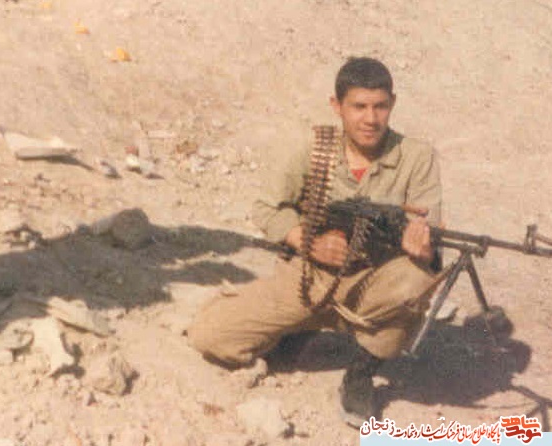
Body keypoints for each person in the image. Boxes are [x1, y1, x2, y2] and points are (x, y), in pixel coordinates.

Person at [188, 57, 442, 426]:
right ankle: (298, 326)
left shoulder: (417, 157)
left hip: (375, 283)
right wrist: (307, 240)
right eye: (359, 106)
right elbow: (266, 208)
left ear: (393, 104)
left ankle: (362, 369)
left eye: (380, 106)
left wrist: (424, 247)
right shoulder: (314, 147)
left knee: (416, 279)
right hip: (310, 276)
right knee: (210, 337)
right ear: (337, 106)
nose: (371, 119)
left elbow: (431, 231)